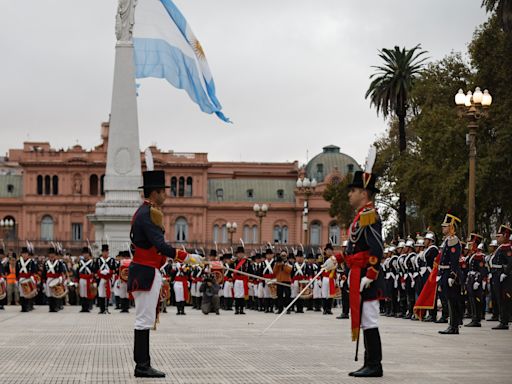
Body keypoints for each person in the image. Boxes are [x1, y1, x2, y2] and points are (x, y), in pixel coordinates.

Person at [128, 169, 203, 378]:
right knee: (143, 320)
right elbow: (160, 245)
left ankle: (143, 363)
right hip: (145, 273)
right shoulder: (149, 213)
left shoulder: (143, 211)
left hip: (145, 271)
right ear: (155, 193)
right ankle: (142, 365)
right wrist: (186, 257)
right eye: (163, 191)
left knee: (145, 319)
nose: (165, 195)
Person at [323, 169, 385, 378]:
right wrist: (337, 259)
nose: (349, 194)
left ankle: (374, 364)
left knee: (369, 320)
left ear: (364, 193)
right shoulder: (360, 217)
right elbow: (354, 250)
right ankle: (370, 362)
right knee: (366, 319)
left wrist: (372, 274)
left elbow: (377, 248)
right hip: (359, 274)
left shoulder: (369, 216)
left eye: (353, 190)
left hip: (366, 277)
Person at [437, 214, 463, 335]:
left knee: (452, 300)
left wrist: (452, 275)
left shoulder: (453, 240)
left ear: (451, 227)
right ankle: (452, 325)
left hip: (449, 273)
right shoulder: (447, 240)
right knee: (449, 300)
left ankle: (454, 326)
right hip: (444, 272)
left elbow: (454, 259)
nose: (443, 228)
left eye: (445, 226)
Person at [491, 225, 511, 330]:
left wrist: (505, 273)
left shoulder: (507, 248)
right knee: (499, 298)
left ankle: (504, 321)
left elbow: (510, 262)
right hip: (496, 274)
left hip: (501, 276)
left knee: (503, 299)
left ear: (505, 236)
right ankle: (502, 320)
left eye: (499, 236)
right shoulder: (501, 247)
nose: (497, 238)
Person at [96, 244, 116, 314]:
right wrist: (101, 272)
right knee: (101, 294)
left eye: (106, 252)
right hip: (101, 279)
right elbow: (95, 270)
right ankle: (102, 309)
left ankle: (106, 308)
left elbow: (114, 270)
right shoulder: (98, 260)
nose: (105, 253)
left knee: (107, 294)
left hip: (108, 279)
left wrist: (108, 272)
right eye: (103, 252)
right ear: (102, 252)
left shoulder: (112, 260)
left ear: (108, 252)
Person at [76, 246, 97, 313]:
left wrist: (94, 281)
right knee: (82, 294)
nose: (85, 255)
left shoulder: (92, 262)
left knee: (88, 294)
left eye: (86, 253)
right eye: (84, 253)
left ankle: (88, 307)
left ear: (89, 254)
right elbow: (77, 272)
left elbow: (94, 272)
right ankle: (83, 307)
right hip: (82, 279)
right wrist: (76, 281)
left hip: (89, 280)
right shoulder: (80, 262)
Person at [273, 250, 292, 314]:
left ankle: (288, 309)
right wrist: (277, 264)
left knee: (287, 295)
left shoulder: (289, 263)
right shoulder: (277, 262)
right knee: (279, 295)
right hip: (279, 280)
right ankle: (280, 309)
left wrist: (284, 264)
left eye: (284, 255)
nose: (283, 257)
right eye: (282, 255)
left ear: (286, 255)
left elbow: (289, 271)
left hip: (287, 280)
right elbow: (274, 272)